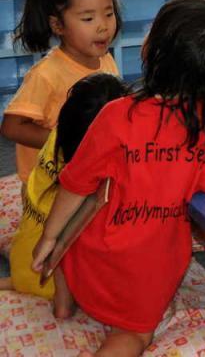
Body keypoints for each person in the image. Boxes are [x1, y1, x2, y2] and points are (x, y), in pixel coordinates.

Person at [32, 0, 205, 357]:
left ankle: (64, 305)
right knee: (133, 334)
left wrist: (50, 238)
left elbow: (75, 183)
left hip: (92, 256)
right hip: (148, 265)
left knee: (72, 239)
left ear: (151, 51)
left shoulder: (116, 114)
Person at [1, 73, 129, 298]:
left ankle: (17, 282)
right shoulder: (97, 173)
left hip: (23, 260)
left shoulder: (55, 136)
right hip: (49, 279)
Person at [1, 0, 122, 182]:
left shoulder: (106, 60)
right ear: (57, 25)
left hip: (87, 167)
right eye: (88, 18)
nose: (103, 26)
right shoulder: (46, 74)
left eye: (109, 14)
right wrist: (64, 142)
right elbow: (11, 128)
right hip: (48, 182)